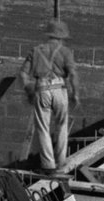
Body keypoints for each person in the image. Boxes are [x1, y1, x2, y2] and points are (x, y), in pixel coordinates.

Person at [20, 19, 78, 172]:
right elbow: (72, 75)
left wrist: (29, 91)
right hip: (60, 88)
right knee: (61, 125)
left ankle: (48, 164)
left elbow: (23, 74)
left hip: (42, 88)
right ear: (62, 37)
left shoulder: (36, 50)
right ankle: (60, 162)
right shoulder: (65, 52)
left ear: (48, 35)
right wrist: (75, 94)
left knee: (43, 128)